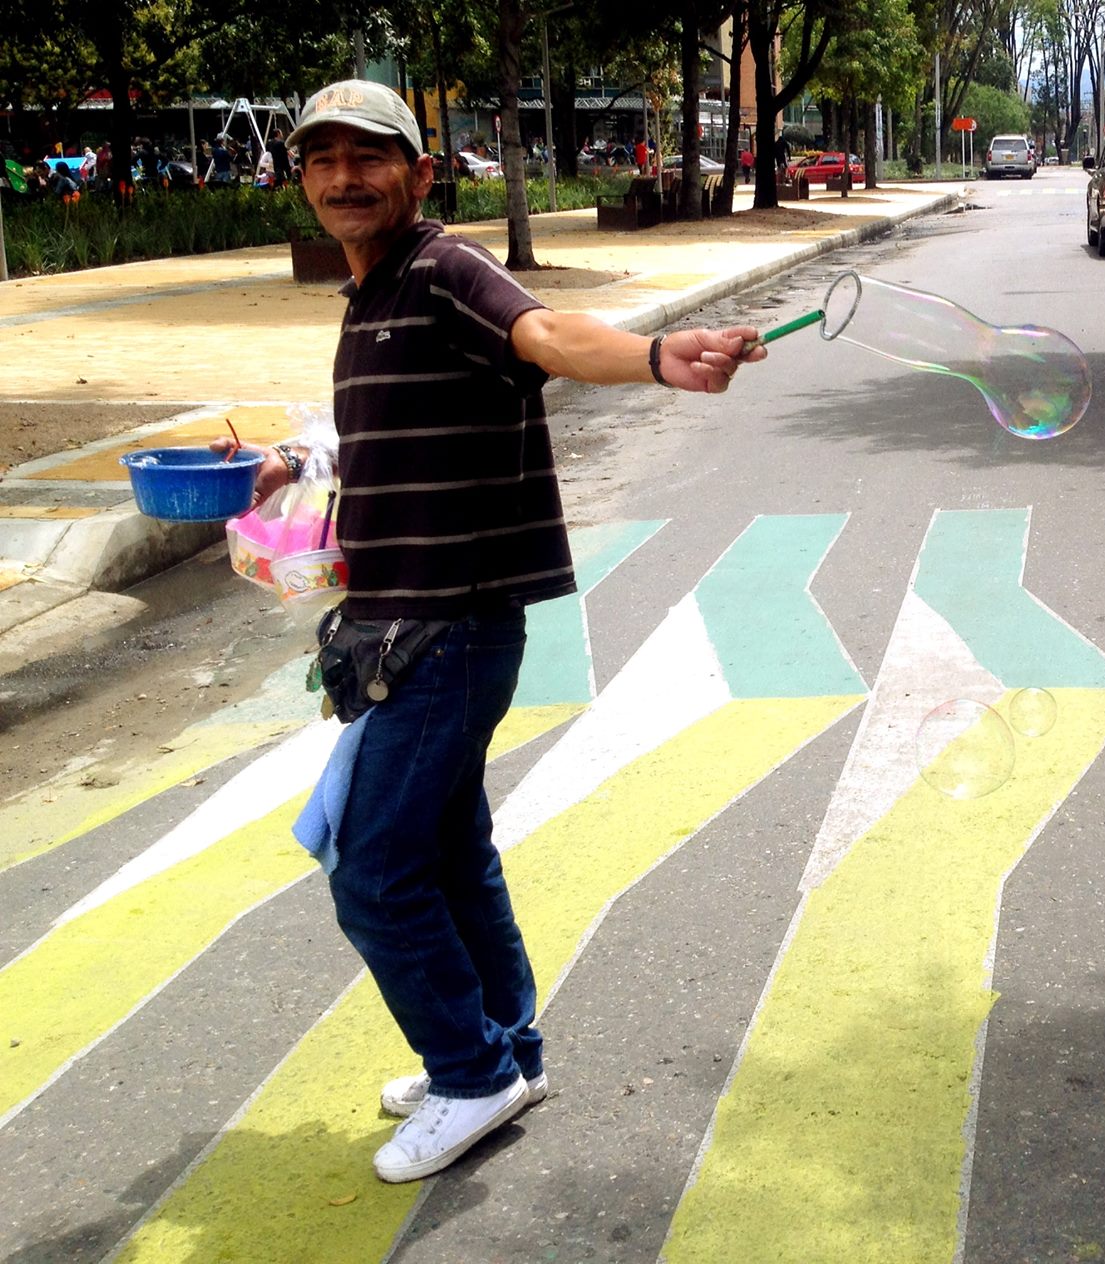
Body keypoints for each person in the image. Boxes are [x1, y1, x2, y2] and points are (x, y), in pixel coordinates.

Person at [217, 79, 763, 1187]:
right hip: (402, 627)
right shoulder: (371, 294)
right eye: (321, 159)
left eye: (368, 156)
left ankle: (468, 1075)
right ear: (302, 177)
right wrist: (296, 462)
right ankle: (506, 1051)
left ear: (421, 174)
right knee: (448, 851)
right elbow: (386, 427)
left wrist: (657, 354)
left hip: (446, 633)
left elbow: (547, 333)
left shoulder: (443, 269)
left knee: (375, 875)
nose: (343, 177)